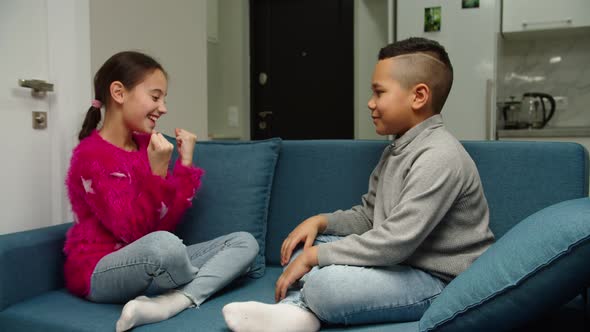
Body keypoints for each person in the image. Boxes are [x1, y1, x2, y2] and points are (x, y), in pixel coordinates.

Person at [222, 37, 495, 332]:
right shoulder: (397, 150)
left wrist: (319, 258)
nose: (370, 102)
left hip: (436, 280)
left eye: (379, 92)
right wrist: (322, 222)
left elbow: (396, 242)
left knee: (326, 283)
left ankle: (299, 311)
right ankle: (303, 313)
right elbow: (369, 217)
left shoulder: (440, 156)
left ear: (418, 96)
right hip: (400, 261)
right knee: (305, 251)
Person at [63, 51, 259, 332]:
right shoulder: (91, 156)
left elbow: (165, 221)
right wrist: (156, 172)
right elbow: (133, 234)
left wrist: (185, 163)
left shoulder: (147, 146)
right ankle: (207, 280)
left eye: (164, 99)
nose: (163, 108)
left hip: (153, 260)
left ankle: (172, 301)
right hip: (99, 269)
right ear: (118, 92)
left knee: (244, 243)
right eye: (156, 97)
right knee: (164, 246)